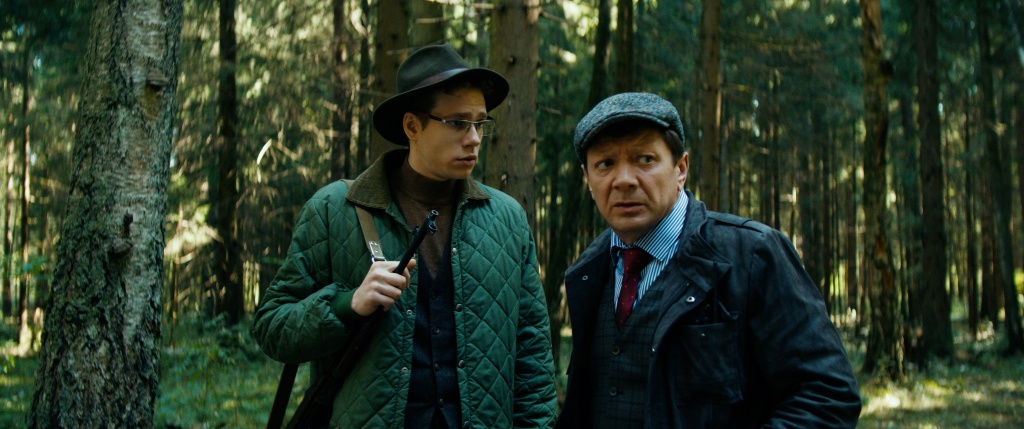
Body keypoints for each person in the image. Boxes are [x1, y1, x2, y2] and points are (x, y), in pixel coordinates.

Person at [251, 44, 557, 429]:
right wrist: (347, 304)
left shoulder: (507, 219)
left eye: (480, 123)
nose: (474, 138)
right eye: (458, 123)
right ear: (412, 126)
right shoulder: (334, 210)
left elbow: (532, 359)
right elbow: (272, 327)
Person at [556, 92, 861, 428]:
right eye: (605, 164)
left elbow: (828, 394)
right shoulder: (587, 272)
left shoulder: (752, 255)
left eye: (644, 159)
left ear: (681, 169)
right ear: (588, 179)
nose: (624, 179)